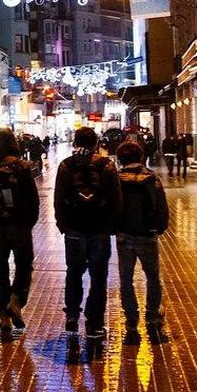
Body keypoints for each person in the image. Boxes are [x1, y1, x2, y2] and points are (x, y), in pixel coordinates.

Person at [54, 127, 122, 339]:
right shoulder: (106, 165)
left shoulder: (66, 165)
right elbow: (116, 199)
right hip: (99, 230)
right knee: (98, 277)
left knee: (73, 272)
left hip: (74, 230)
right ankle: (95, 324)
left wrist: (63, 225)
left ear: (75, 142)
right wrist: (111, 226)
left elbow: (58, 198)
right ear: (96, 143)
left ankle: (72, 314)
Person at [0, 128, 40, 337]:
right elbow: (33, 201)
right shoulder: (22, 167)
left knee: (0, 273)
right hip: (20, 227)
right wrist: (27, 224)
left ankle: (4, 318)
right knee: (23, 267)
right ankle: (16, 301)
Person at [114, 141, 169, 345]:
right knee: (153, 277)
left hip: (124, 235)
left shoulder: (117, 180)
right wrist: (160, 228)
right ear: (141, 157)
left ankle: (131, 319)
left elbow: (113, 207)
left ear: (120, 159)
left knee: (126, 279)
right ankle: (153, 316)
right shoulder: (151, 179)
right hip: (147, 235)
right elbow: (161, 207)